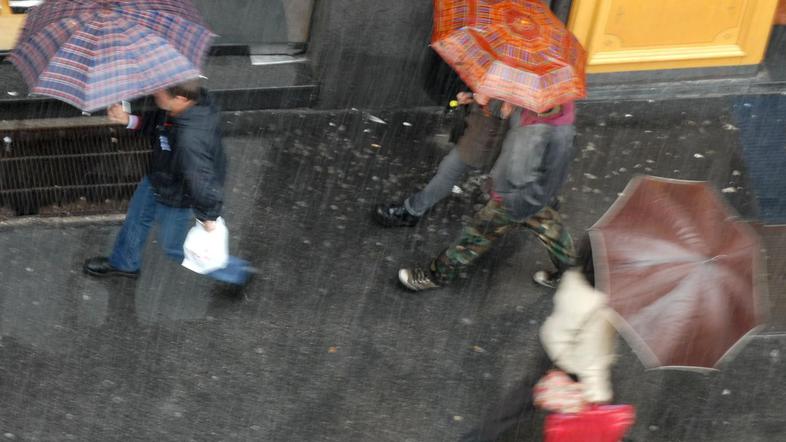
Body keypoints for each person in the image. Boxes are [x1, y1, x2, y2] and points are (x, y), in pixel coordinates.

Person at [83, 80, 252, 286]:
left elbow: (201, 178)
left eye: (160, 92)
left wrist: (209, 216)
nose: (155, 93)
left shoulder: (190, 138)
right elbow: (156, 125)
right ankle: (124, 263)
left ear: (180, 98)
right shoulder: (177, 110)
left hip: (177, 192)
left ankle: (235, 271)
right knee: (136, 219)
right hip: (159, 176)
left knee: (177, 247)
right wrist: (128, 119)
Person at [398, 101, 578, 291]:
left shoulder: (558, 136)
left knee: (474, 237)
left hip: (514, 198)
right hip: (519, 193)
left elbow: (550, 178)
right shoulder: (532, 108)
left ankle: (435, 275)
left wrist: (516, 204)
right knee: (553, 232)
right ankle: (572, 275)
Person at [373, 91, 513, 227]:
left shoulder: (521, 87)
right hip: (480, 132)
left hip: (485, 138)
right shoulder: (506, 76)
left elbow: (510, 113)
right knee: (453, 169)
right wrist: (472, 97)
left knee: (450, 170)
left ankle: (412, 211)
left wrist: (490, 104)